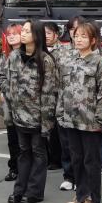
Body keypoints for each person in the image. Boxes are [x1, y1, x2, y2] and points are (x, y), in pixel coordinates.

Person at [0, 20, 58, 203]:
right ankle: (20, 189)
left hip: (37, 117)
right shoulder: (14, 56)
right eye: (22, 31)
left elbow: (49, 94)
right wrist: (10, 95)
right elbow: (4, 79)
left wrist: (47, 122)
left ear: (36, 35)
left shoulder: (46, 60)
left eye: (27, 31)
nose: (22, 34)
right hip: (18, 115)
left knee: (38, 153)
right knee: (23, 152)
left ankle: (34, 192)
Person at [59, 21, 102, 203]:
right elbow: (63, 88)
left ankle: (92, 197)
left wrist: (99, 118)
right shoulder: (69, 60)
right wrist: (60, 112)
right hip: (71, 118)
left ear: (93, 40)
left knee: (91, 160)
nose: (78, 39)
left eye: (83, 36)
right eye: (76, 36)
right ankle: (81, 193)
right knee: (76, 158)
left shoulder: (99, 62)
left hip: (90, 120)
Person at [53, 18, 78, 192]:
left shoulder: (95, 54)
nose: (75, 33)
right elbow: (54, 77)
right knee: (66, 144)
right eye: (72, 30)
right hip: (64, 104)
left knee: (82, 148)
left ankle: (82, 178)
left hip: (83, 109)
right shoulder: (61, 52)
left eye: (79, 30)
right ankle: (69, 176)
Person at [0, 22, 23, 182]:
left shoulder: (27, 54)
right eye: (9, 34)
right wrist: (7, 90)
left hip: (26, 104)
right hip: (9, 103)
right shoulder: (5, 56)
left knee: (25, 139)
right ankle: (14, 168)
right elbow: (0, 77)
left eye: (15, 33)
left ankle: (26, 169)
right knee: (12, 138)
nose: (11, 36)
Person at [43, 22, 65, 172]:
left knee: (57, 128)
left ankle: (57, 159)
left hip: (57, 94)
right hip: (43, 94)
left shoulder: (63, 51)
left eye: (49, 33)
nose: (46, 36)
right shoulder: (40, 50)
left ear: (56, 35)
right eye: (44, 33)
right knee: (44, 127)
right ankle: (46, 157)